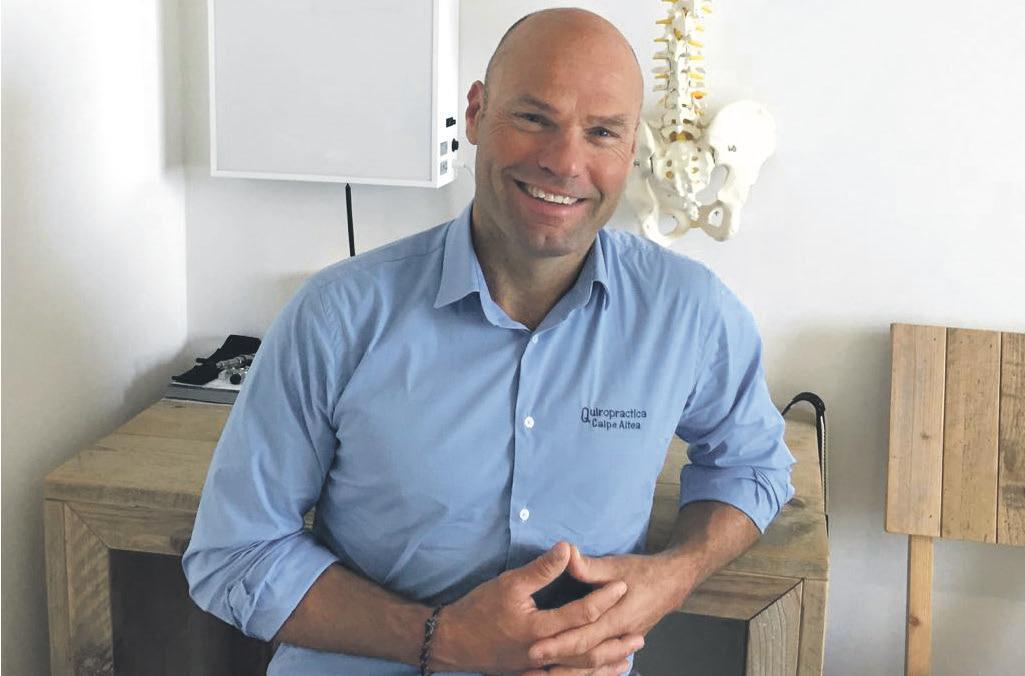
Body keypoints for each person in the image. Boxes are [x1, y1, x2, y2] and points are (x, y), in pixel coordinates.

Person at [183, 8, 794, 676]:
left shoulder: (689, 313)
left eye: (601, 132)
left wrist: (673, 574)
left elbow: (751, 465)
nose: (565, 162)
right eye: (534, 118)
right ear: (475, 113)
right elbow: (234, 553)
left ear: (630, 148)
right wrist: (439, 637)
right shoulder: (337, 316)